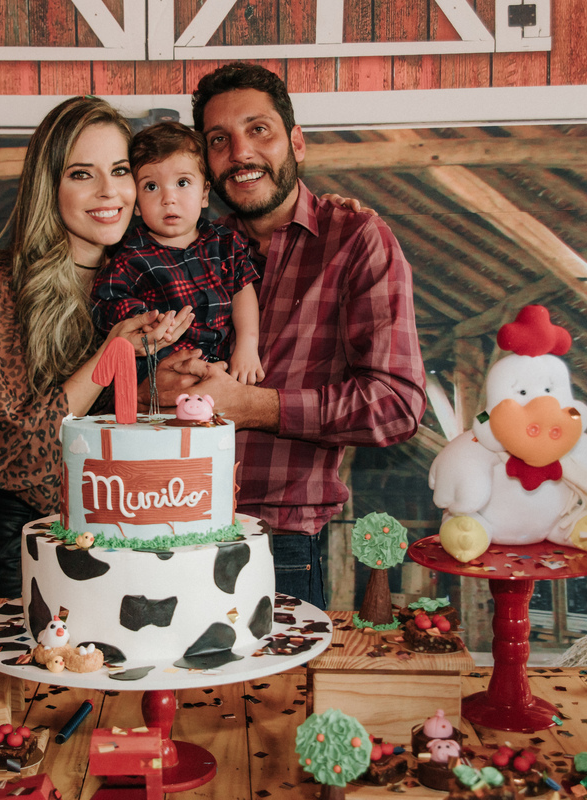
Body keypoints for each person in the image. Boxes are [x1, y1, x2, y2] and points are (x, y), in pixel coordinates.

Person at [154, 63, 428, 609]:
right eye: (218, 140)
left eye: (259, 130)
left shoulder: (356, 239)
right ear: (205, 163)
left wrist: (251, 406)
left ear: (296, 142)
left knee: (273, 698)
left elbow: (397, 404)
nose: (240, 152)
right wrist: (152, 384)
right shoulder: (184, 249)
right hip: (163, 536)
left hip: (280, 550)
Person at [0, 96, 193, 599]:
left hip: (129, 533)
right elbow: (11, 454)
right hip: (24, 540)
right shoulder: (1, 283)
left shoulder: (151, 278)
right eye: (82, 174)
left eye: (121, 170)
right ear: (50, 185)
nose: (110, 192)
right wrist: (107, 359)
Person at [91, 121, 264, 385]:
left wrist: (247, 346)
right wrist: (145, 320)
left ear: (205, 193)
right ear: (136, 203)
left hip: (224, 368)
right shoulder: (130, 257)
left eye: (182, 182)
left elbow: (242, 291)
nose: (168, 198)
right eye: (151, 187)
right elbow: (106, 302)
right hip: (160, 375)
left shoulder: (226, 244)